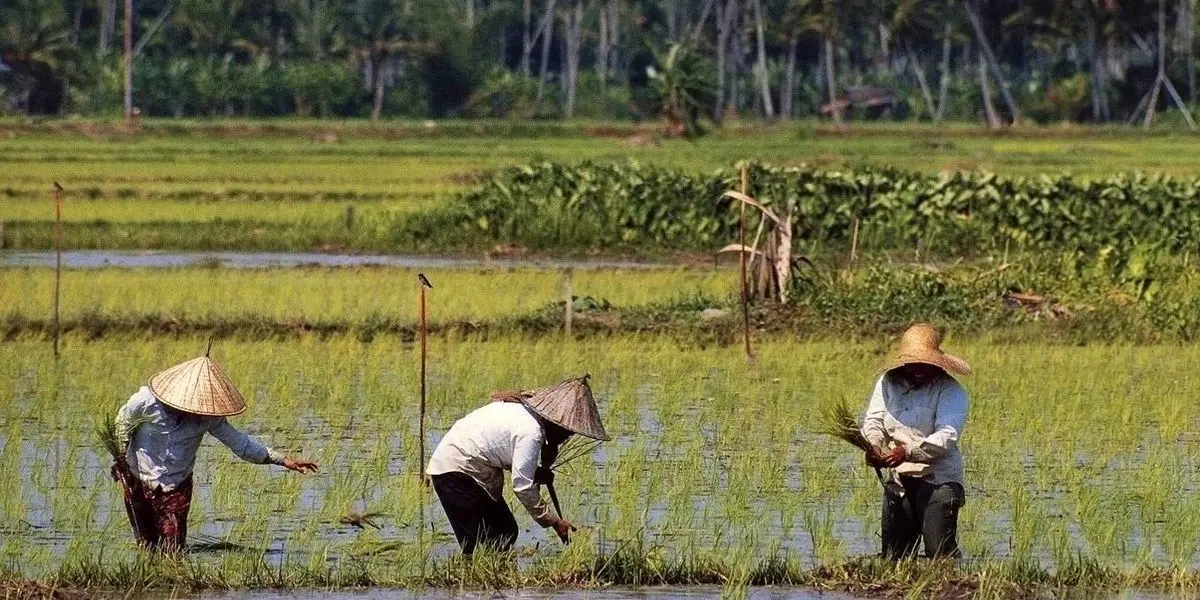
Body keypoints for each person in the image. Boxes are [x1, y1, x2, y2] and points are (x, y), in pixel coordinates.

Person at [111, 352, 318, 553]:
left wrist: (282, 460)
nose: (194, 411)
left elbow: (241, 444)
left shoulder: (208, 417)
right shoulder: (144, 401)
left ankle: (176, 583)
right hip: (138, 481)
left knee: (174, 549)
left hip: (176, 486)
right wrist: (120, 456)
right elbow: (122, 423)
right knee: (146, 545)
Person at [427, 375, 610, 556]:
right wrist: (554, 521)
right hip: (456, 472)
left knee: (506, 532)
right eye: (567, 430)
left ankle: (482, 579)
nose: (567, 436)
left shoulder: (523, 414)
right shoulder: (531, 432)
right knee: (483, 543)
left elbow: (500, 450)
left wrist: (538, 472)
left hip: (464, 469)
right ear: (556, 423)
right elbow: (522, 486)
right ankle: (470, 581)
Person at [861, 323, 969, 560]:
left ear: (936, 362)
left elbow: (947, 436)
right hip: (898, 478)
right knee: (893, 557)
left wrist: (906, 451)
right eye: (914, 362)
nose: (919, 368)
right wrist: (875, 447)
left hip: (938, 478)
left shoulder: (951, 390)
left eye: (925, 363)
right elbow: (874, 421)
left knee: (939, 553)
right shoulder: (888, 382)